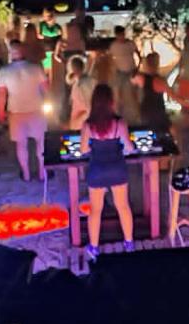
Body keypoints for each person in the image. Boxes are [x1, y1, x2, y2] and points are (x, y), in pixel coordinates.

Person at [79, 84, 134, 260]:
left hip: (97, 170)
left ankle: (94, 248)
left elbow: (83, 150)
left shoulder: (88, 125)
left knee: (95, 210)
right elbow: (129, 147)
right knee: (123, 206)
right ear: (111, 102)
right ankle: (129, 243)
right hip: (117, 169)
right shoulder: (119, 123)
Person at [0, 40, 49, 182]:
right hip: (36, 109)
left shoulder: (4, 71)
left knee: (21, 144)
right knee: (41, 142)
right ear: (23, 51)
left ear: (11, 53)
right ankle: (42, 173)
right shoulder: (36, 68)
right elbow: (46, 89)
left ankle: (26, 174)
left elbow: (1, 95)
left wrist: (1, 113)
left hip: (16, 112)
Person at [132, 52, 171, 132]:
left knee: (147, 132)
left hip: (146, 111)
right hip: (158, 111)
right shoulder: (161, 80)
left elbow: (132, 79)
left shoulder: (141, 78)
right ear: (157, 64)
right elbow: (172, 95)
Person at [108, 25, 140, 122]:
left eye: (122, 34)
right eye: (119, 35)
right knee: (118, 93)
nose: (121, 37)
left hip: (131, 70)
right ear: (116, 35)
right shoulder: (113, 46)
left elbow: (138, 55)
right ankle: (118, 114)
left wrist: (137, 68)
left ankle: (137, 114)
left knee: (133, 93)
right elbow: (110, 58)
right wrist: (113, 69)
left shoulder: (130, 44)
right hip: (119, 72)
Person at [66, 54, 95, 130]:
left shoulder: (84, 84)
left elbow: (88, 107)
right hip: (80, 122)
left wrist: (80, 118)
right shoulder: (78, 83)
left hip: (82, 123)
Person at [39, 7, 62, 77]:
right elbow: (39, 35)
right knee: (45, 72)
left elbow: (60, 36)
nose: (50, 18)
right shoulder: (42, 25)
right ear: (44, 16)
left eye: (51, 16)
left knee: (53, 72)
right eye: (48, 16)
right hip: (45, 52)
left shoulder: (57, 27)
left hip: (54, 52)